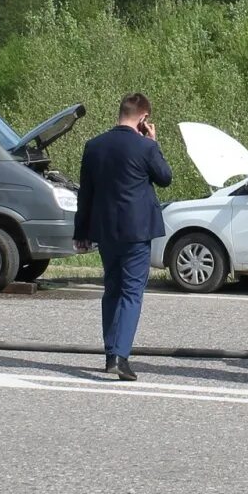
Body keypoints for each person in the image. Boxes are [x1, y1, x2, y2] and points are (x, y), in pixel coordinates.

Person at [73, 92, 174, 382]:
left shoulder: (94, 146)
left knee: (112, 289)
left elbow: (86, 194)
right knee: (132, 293)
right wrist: (153, 143)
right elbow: (165, 177)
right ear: (143, 118)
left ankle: (110, 354)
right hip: (137, 231)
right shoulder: (145, 147)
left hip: (105, 231)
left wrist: (81, 232)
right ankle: (120, 357)